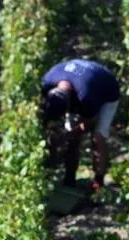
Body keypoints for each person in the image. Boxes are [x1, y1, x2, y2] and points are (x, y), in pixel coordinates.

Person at [41, 59, 120, 188]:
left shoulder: (85, 95)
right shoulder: (47, 82)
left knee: (98, 137)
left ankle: (98, 181)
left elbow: (90, 122)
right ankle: (69, 178)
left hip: (107, 90)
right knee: (73, 138)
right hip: (84, 80)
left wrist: (65, 136)